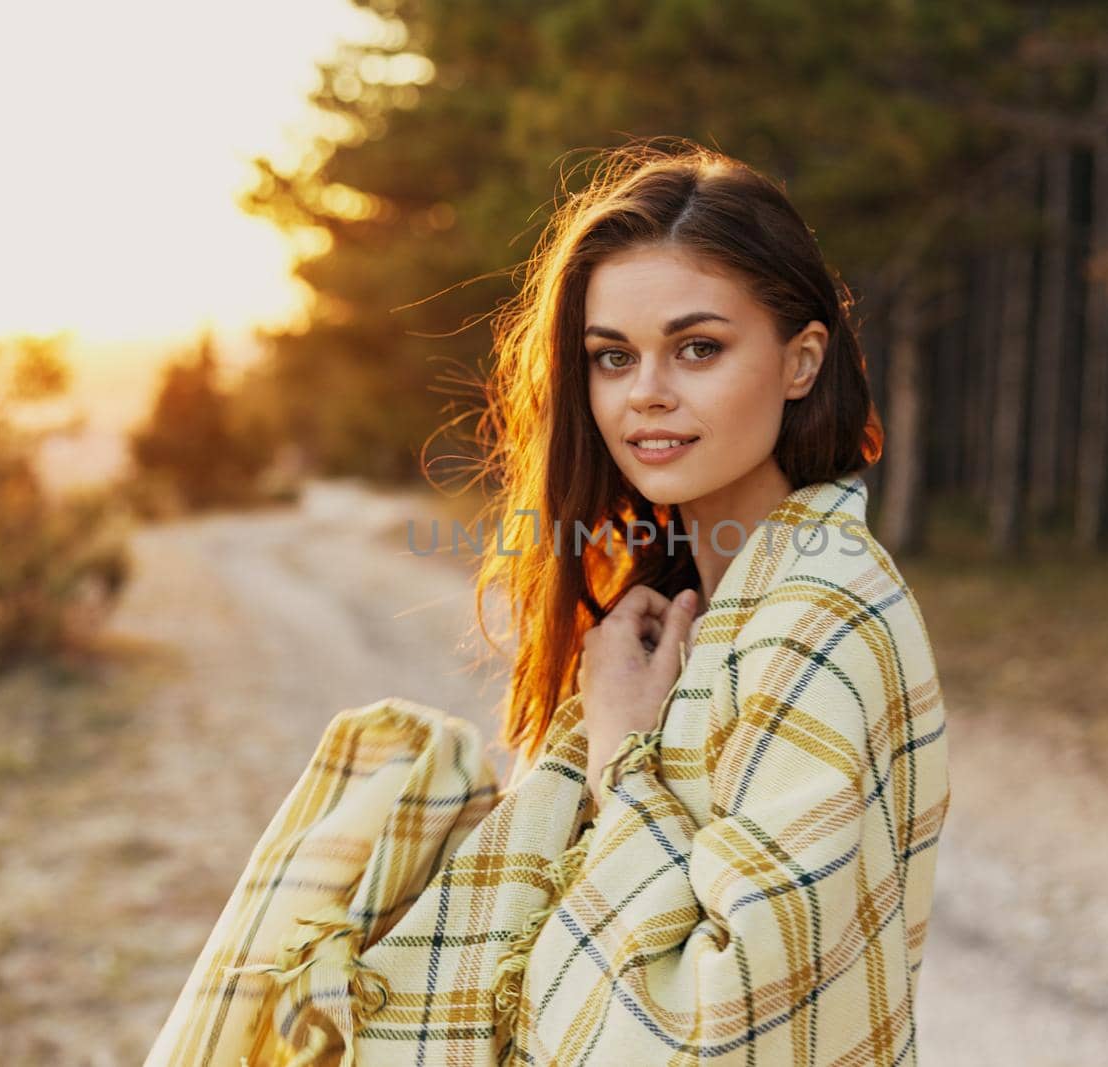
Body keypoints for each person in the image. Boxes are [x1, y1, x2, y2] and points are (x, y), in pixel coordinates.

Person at [144, 137, 951, 1067]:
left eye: (698, 348)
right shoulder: (689, 594)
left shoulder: (820, 620)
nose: (646, 395)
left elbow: (719, 1031)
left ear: (801, 360)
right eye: (612, 358)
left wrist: (618, 752)